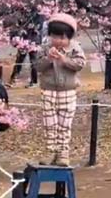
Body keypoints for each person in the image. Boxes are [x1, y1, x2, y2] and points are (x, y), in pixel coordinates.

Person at [36, 14, 85, 167]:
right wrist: (48, 59)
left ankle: (63, 153)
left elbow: (80, 64)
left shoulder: (75, 48)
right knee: (50, 124)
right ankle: (51, 151)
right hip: (48, 90)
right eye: (55, 37)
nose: (58, 41)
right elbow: (37, 66)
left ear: (70, 37)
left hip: (68, 91)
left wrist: (65, 60)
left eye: (63, 38)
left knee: (64, 124)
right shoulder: (45, 48)